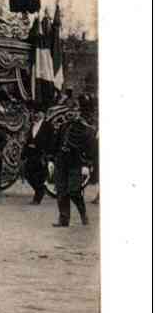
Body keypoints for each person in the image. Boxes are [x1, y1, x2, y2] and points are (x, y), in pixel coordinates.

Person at [50, 94, 97, 227]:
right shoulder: (63, 126)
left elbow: (90, 149)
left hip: (75, 162)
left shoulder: (85, 129)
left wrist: (87, 164)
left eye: (75, 111)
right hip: (61, 161)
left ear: (79, 112)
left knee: (74, 191)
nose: (72, 113)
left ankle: (83, 213)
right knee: (61, 191)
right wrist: (52, 160)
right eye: (70, 111)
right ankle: (64, 219)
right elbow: (56, 144)